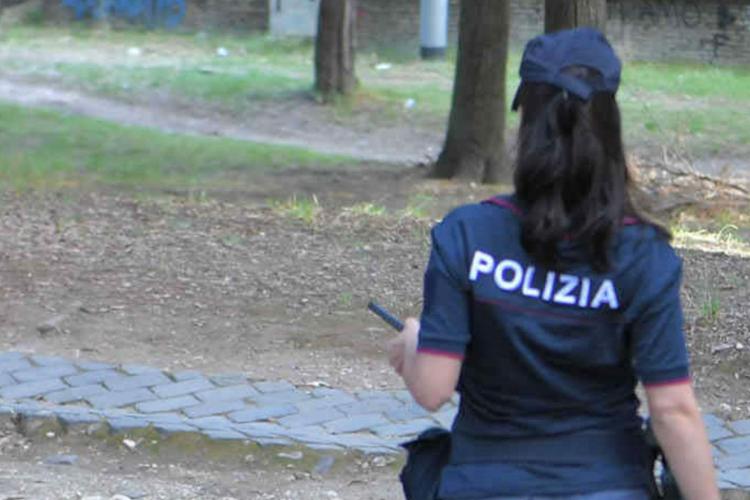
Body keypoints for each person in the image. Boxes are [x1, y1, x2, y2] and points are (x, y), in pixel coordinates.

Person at [387, 28, 719, 500]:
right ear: (611, 125)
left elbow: (431, 389)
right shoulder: (643, 254)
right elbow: (673, 411)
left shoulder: (466, 235)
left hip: (482, 484)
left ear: (526, 122)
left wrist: (416, 341)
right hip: (607, 485)